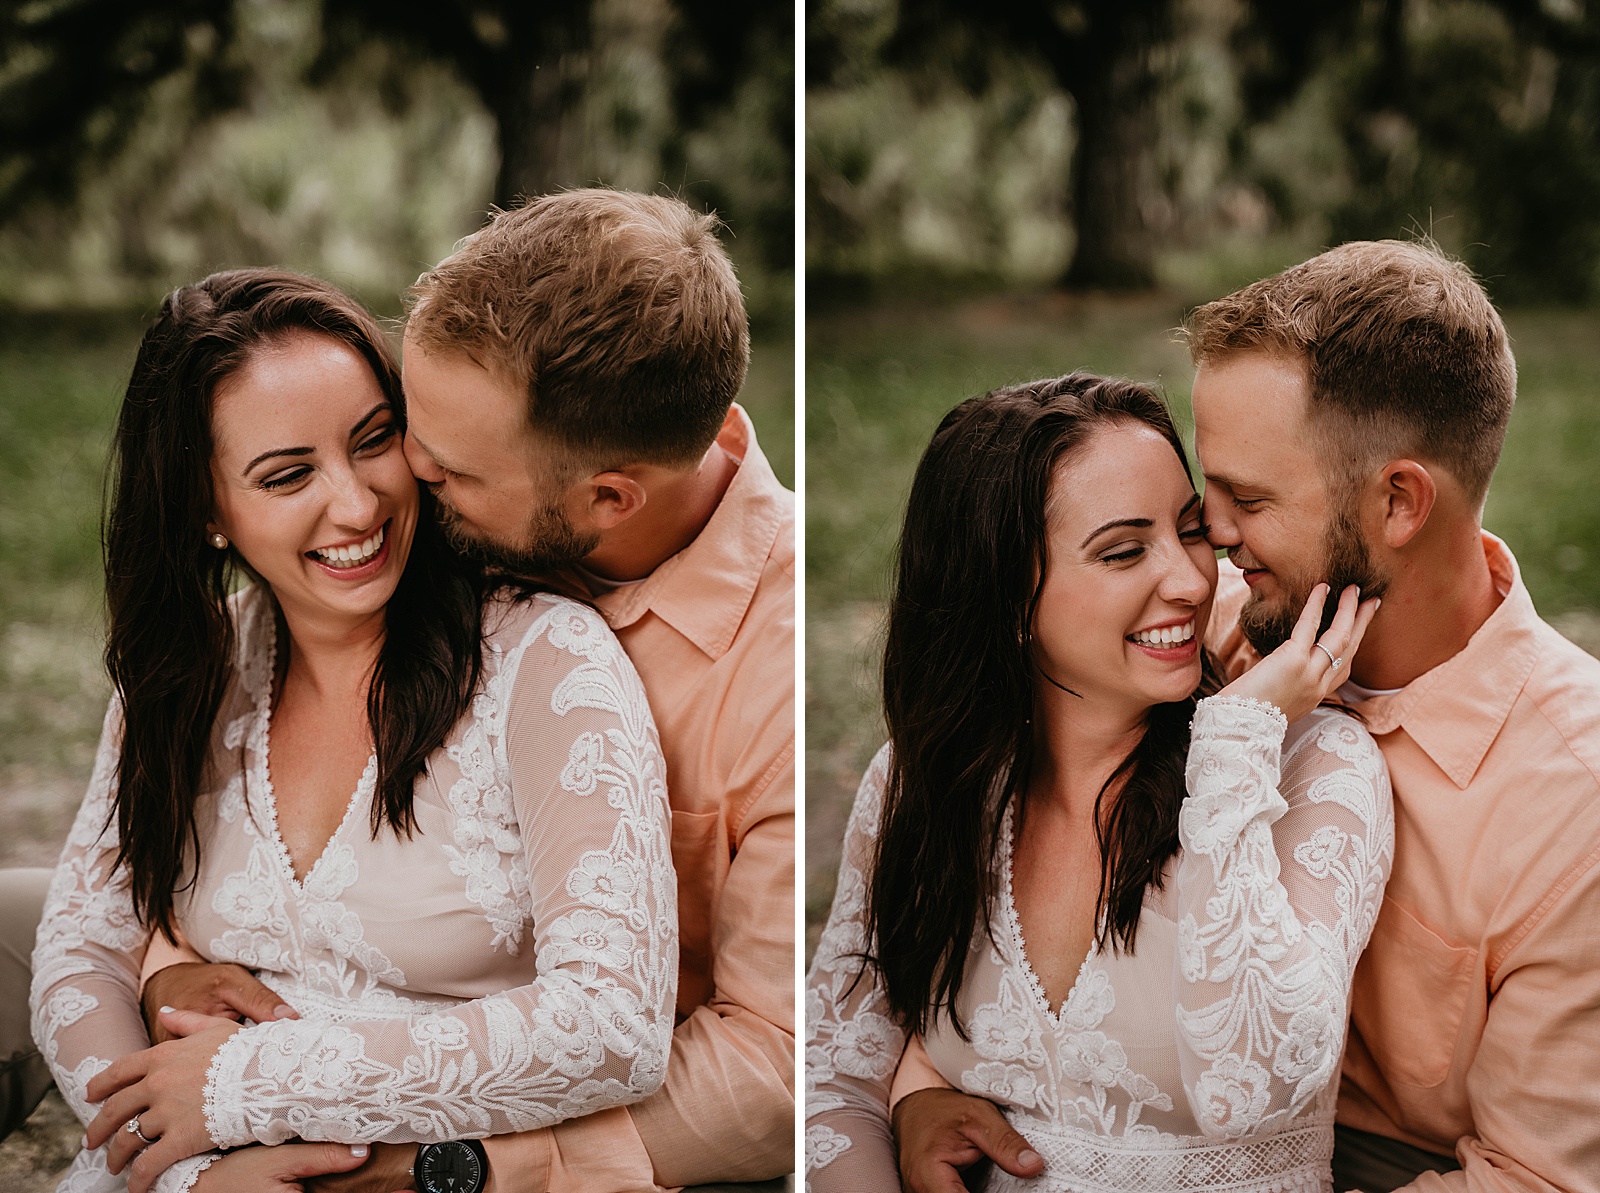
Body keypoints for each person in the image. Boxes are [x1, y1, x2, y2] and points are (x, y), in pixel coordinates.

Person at [890, 241, 1600, 1192]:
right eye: (1203, 496)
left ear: (1398, 501)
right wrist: (917, 1084)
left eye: (1246, 500)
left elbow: (1533, 1180)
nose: (1207, 543)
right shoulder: (1204, 634)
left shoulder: (1574, 801)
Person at [135, 189, 796, 1191]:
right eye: (403, 426)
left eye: (443, 474)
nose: (391, 484)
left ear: (607, 498)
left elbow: (773, 1064)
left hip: (533, 1100)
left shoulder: (775, 676)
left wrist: (430, 1164)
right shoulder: (478, 492)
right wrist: (164, 968)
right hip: (343, 988)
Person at [30, 269, 678, 1193]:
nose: (358, 503)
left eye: (374, 441)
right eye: (289, 474)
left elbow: (614, 1026)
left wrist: (243, 1087)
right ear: (207, 511)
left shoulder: (547, 663)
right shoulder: (188, 673)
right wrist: (188, 1175)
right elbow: (82, 950)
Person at [805, 373, 1392, 1192]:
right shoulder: (922, 783)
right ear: (1006, 595)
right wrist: (908, 1108)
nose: (1192, 581)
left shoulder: (1312, 768)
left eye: (1191, 532)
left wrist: (1233, 744)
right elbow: (831, 1082)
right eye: (1123, 551)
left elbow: (1252, 1085)